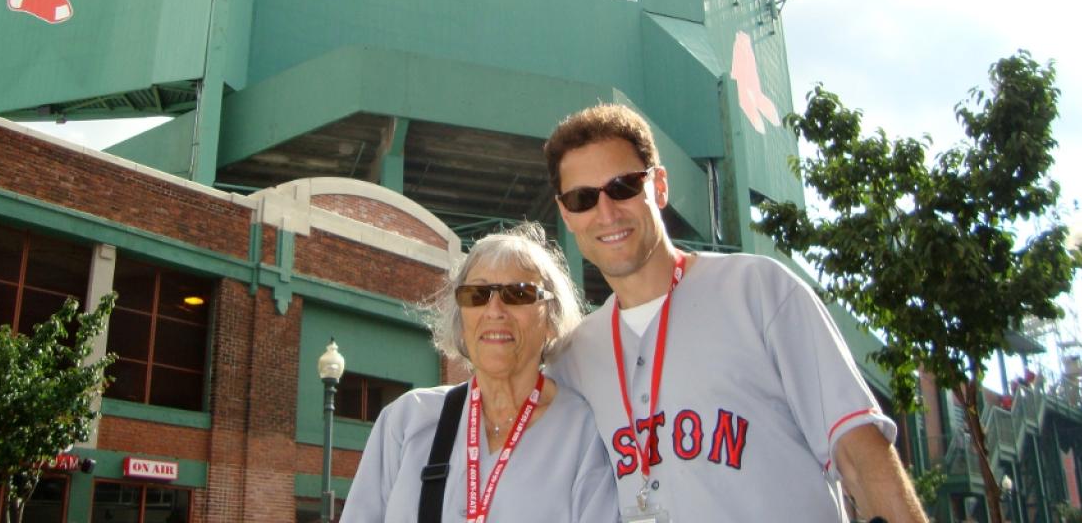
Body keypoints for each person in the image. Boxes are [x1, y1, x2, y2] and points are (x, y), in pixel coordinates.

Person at [543, 103, 928, 522]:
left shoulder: (759, 291)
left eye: (624, 186)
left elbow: (858, 453)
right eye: (583, 198)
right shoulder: (573, 358)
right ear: (566, 212)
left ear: (659, 185)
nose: (607, 212)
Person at [340, 222, 619, 522]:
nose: (495, 310)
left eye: (518, 293)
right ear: (461, 321)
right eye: (477, 294)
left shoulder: (584, 432)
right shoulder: (406, 421)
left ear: (552, 318)